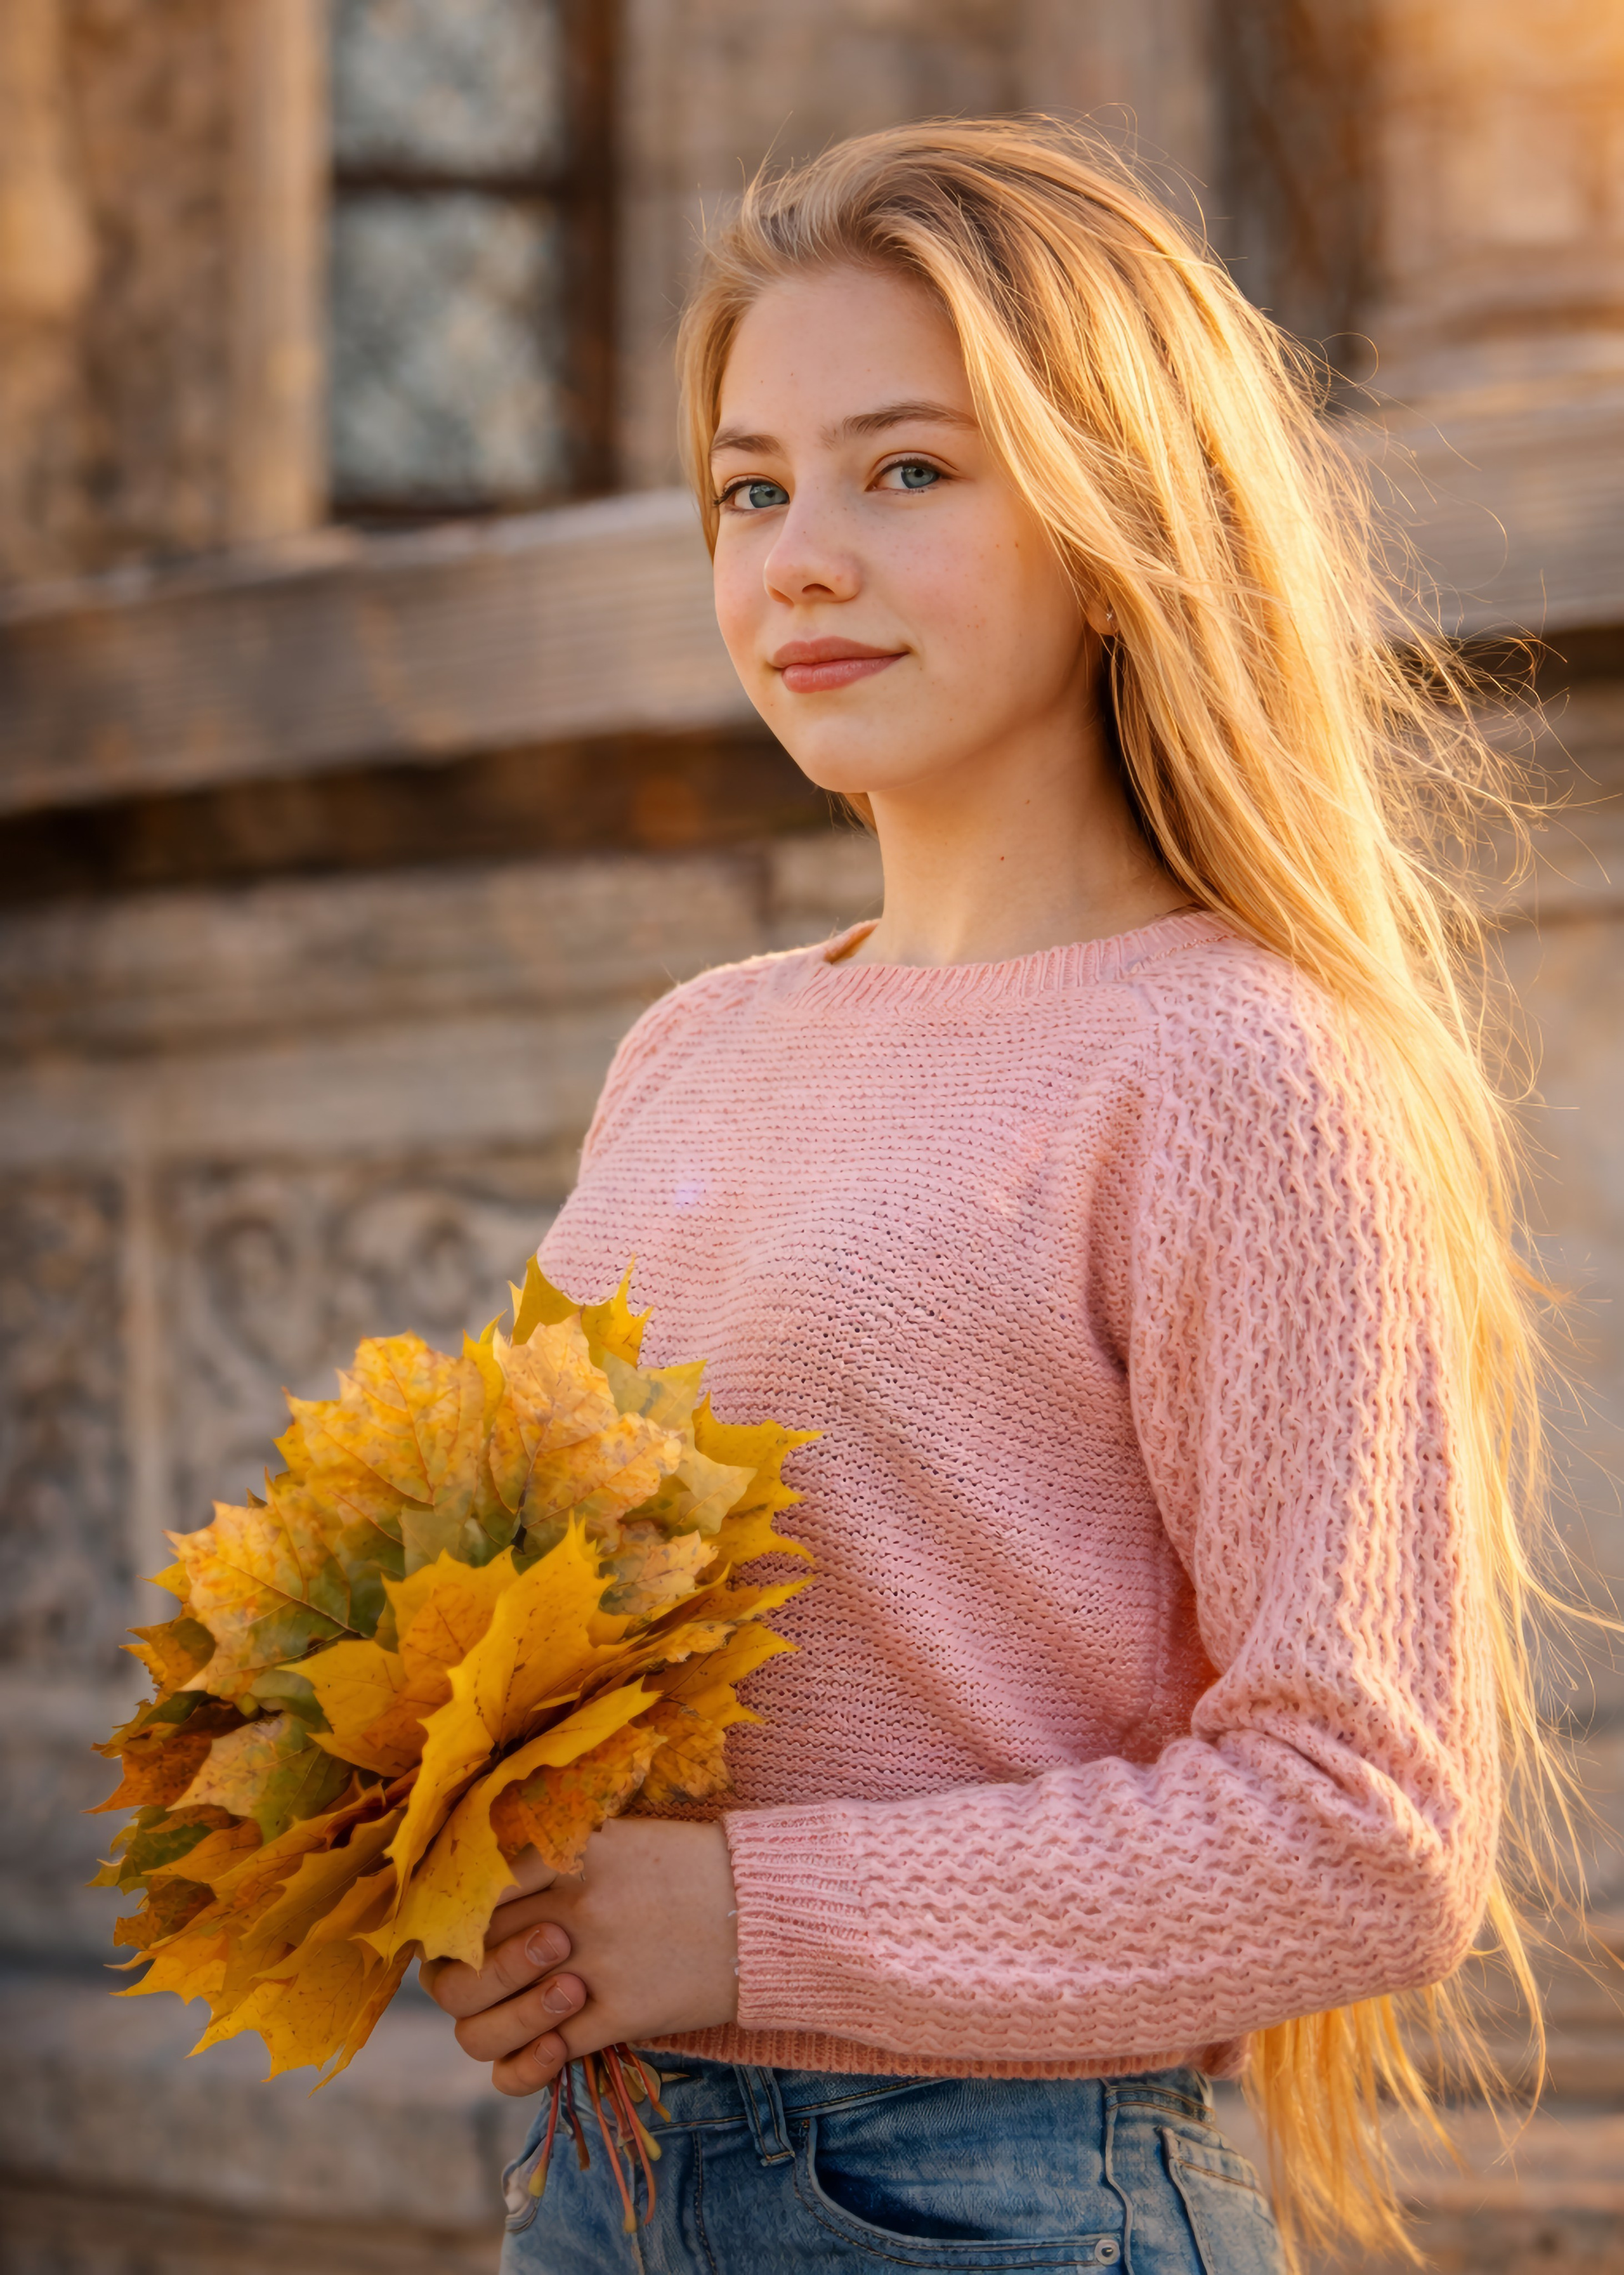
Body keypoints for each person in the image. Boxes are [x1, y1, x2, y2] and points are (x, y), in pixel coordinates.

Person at [428, 120, 1558, 2273]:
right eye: (751, 486)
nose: (800, 558)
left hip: (998, 2201)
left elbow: (1367, 1825)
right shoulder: (694, 1043)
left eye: (908, 471)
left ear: (1120, 508)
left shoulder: (1236, 1066)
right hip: (610, 2179)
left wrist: (747, 1916)